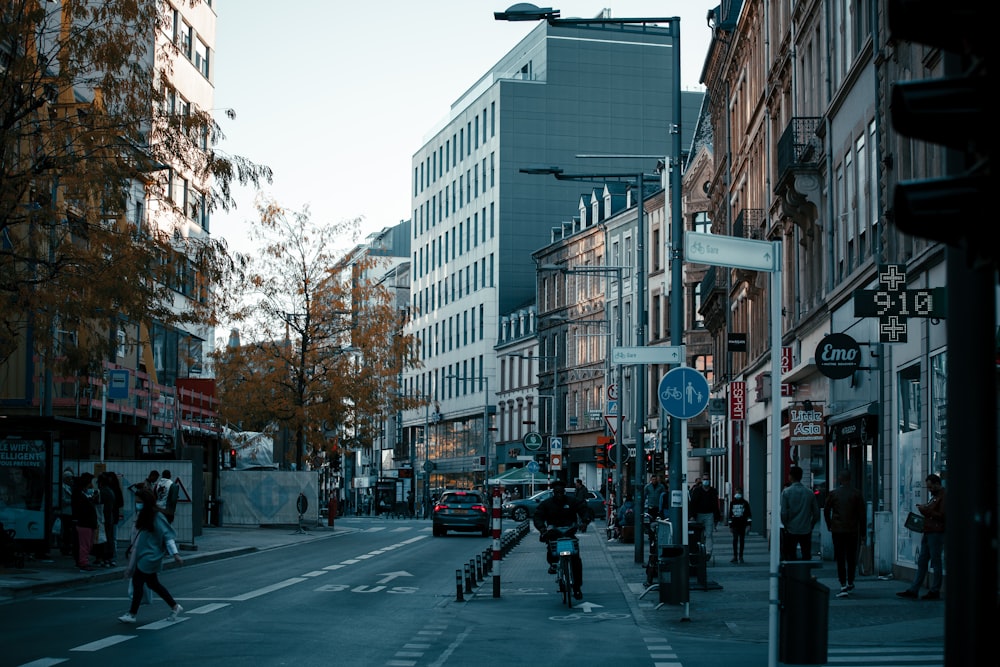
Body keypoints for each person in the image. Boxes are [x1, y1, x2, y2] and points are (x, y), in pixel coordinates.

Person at [119, 487, 184, 624]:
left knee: (138, 582)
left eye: (139, 501)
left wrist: (175, 554)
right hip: (145, 555)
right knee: (153, 583)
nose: (137, 504)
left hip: (150, 556)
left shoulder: (156, 516)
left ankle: (132, 613)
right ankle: (174, 606)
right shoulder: (144, 516)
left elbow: (167, 536)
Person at [533, 479, 590, 600]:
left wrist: (585, 521)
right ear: (554, 492)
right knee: (551, 546)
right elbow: (538, 515)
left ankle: (577, 587)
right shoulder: (547, 504)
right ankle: (553, 564)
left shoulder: (572, 501)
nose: (559, 495)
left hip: (569, 532)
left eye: (561, 492)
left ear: (564, 492)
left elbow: (583, 509)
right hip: (554, 533)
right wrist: (542, 529)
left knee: (575, 560)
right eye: (557, 492)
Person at [897, 473, 946, 601]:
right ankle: (914, 589)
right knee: (922, 561)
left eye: (931, 487)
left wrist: (926, 510)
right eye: (928, 488)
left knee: (935, 562)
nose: (929, 490)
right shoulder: (935, 497)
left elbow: (942, 515)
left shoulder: (943, 496)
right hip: (928, 531)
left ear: (937, 484)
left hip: (936, 532)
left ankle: (935, 590)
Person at [824, 469, 866, 597]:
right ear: (850, 479)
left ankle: (842, 583)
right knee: (851, 557)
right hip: (852, 530)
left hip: (837, 530)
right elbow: (862, 515)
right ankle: (850, 581)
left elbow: (826, 510)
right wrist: (863, 532)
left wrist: (829, 525)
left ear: (839, 479)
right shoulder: (856, 494)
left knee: (840, 557)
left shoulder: (833, 494)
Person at [780, 465, 820, 560]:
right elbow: (816, 513)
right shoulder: (809, 493)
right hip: (806, 528)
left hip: (791, 529)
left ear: (790, 476)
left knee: (790, 554)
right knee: (806, 554)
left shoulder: (786, 492)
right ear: (801, 476)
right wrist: (811, 524)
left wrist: (785, 525)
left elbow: (783, 512)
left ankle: (792, 573)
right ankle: (805, 573)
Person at [71, 472, 99, 571]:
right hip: (85, 522)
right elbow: (82, 508)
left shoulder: (82, 493)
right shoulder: (79, 494)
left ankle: (83, 561)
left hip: (86, 522)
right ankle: (83, 562)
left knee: (86, 543)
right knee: (85, 544)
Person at [690, 477, 722, 559]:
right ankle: (697, 549)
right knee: (698, 534)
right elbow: (693, 503)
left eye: (707, 479)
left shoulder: (713, 491)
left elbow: (715, 504)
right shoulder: (697, 490)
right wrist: (692, 515)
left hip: (709, 514)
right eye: (704, 479)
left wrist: (717, 517)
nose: (706, 481)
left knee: (709, 534)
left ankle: (708, 552)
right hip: (699, 514)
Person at [96, 473, 118, 567]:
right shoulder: (111, 491)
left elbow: (98, 503)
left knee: (103, 538)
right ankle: (109, 558)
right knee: (110, 537)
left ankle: (104, 557)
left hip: (103, 517)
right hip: (110, 517)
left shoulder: (101, 492)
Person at [727, 489, 752, 564]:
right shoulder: (732, 503)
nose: (737, 494)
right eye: (736, 493)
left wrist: (749, 525)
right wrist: (730, 525)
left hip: (742, 524)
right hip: (735, 524)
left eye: (739, 493)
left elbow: (748, 514)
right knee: (735, 540)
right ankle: (735, 556)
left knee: (741, 540)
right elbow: (730, 514)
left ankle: (741, 556)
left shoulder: (745, 503)